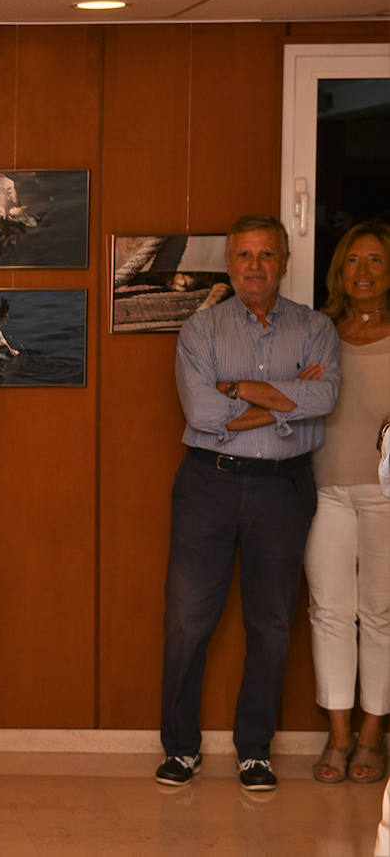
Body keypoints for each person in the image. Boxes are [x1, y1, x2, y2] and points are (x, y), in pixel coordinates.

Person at [155, 214, 340, 792]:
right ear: (229, 263)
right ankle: (180, 749)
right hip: (207, 485)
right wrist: (287, 400)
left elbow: (325, 395)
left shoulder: (316, 330)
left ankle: (254, 749)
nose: (254, 265)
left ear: (283, 262)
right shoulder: (201, 330)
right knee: (187, 623)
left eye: (266, 254)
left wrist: (235, 389)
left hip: (283, 489)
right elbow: (202, 415)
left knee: (272, 623)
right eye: (244, 255)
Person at [304, 221, 390, 784]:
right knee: (330, 614)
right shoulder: (318, 335)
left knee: (381, 616)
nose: (363, 271)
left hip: (387, 495)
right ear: (339, 270)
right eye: (353, 260)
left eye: (376, 260)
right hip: (325, 492)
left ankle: (371, 738)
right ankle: (337, 736)